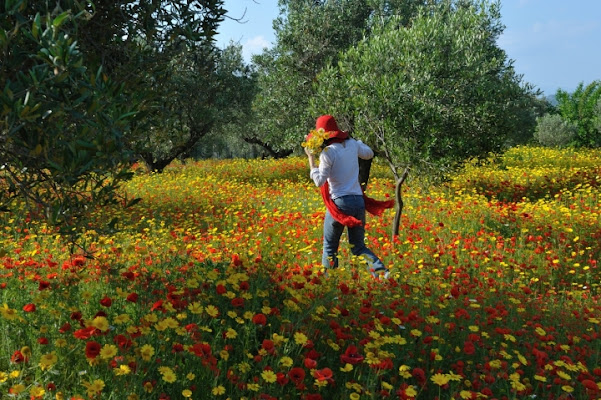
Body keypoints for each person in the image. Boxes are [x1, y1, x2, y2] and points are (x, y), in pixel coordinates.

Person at [304, 115, 393, 279]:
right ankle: (382, 273)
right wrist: (356, 143)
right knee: (358, 247)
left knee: (330, 246)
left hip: (339, 204)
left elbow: (319, 181)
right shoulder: (352, 145)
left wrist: (311, 159)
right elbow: (369, 154)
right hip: (358, 201)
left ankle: (330, 282)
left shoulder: (327, 153)